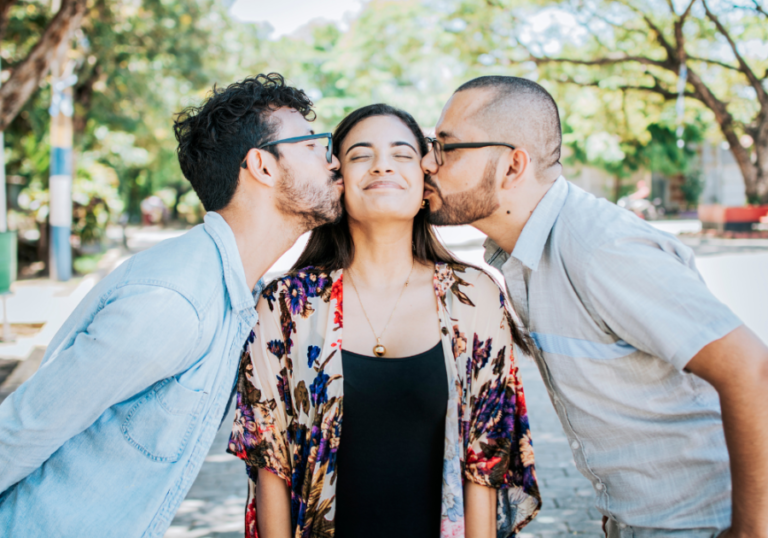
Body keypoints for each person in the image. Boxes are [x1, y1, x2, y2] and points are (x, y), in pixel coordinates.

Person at [421, 75, 768, 538]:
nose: (427, 162)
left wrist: (751, 530)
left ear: (512, 166)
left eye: (447, 147)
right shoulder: (520, 251)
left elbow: (751, 369)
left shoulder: (600, 248)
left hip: (701, 524)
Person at [0, 73, 343, 537]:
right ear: (262, 166)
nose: (334, 161)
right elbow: (21, 429)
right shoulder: (178, 301)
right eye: (313, 145)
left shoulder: (237, 292)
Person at [227, 103, 541, 538]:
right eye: (359, 155)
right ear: (338, 182)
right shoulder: (287, 304)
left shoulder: (473, 297)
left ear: (424, 180)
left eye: (401, 154)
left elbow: (485, 459)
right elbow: (269, 462)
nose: (381, 166)